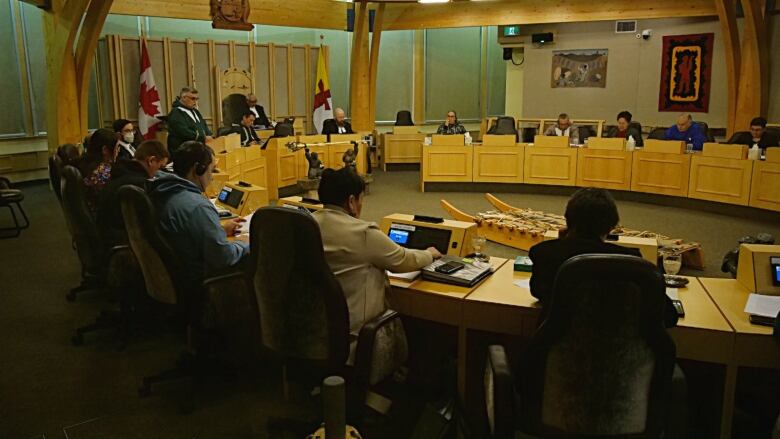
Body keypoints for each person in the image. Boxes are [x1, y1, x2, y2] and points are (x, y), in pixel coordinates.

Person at [312, 167, 442, 342]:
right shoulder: (363, 232)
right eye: (361, 199)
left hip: (313, 331)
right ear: (351, 201)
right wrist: (429, 254)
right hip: (354, 336)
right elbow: (404, 260)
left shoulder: (307, 224)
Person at [528, 187, 678, 328]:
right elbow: (669, 316)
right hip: (624, 353)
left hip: (561, 352)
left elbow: (538, 292)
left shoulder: (545, 253)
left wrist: (562, 243)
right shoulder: (632, 263)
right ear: (611, 227)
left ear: (567, 221)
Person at [147, 141, 248, 286]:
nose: (212, 177)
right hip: (197, 283)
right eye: (211, 170)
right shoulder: (198, 207)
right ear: (197, 169)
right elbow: (224, 257)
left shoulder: (162, 190)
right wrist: (245, 244)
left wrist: (219, 231)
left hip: (171, 276)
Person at [96, 139, 170, 242]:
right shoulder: (139, 186)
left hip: (105, 238)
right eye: (161, 167)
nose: (160, 172)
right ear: (151, 161)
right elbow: (149, 227)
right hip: (122, 243)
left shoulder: (119, 173)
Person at [80, 128, 120, 218]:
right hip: (104, 219)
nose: (118, 152)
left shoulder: (86, 164)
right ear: (105, 150)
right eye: (117, 148)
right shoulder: (102, 172)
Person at [166, 87, 213, 154]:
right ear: (183, 98)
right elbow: (183, 132)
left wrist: (209, 135)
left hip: (198, 149)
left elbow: (204, 125)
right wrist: (202, 138)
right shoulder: (176, 112)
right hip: (184, 151)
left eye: (197, 99)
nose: (195, 102)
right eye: (193, 98)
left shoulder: (196, 112)